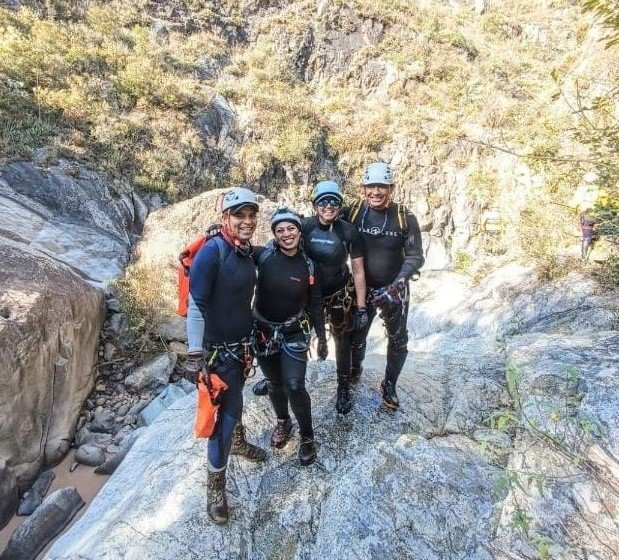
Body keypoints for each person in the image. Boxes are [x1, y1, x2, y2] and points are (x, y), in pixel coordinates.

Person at [189, 187, 266, 525]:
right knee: (227, 415)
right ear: (226, 218)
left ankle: (236, 442)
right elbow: (197, 305)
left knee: (235, 402)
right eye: (240, 216)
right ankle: (215, 490)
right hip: (218, 353)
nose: (246, 221)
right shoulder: (212, 253)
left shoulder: (246, 252)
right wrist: (196, 353)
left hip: (241, 346)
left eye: (251, 216)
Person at [342, 162, 424, 411]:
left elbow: (415, 256)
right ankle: (355, 368)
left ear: (392, 188)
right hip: (360, 287)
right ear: (362, 188)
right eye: (371, 186)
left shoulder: (404, 217)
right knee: (356, 334)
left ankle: (389, 384)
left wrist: (398, 284)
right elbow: (323, 221)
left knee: (398, 340)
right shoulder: (352, 212)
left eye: (382, 187)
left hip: (393, 287)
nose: (376, 192)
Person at [254, 208, 327, 465]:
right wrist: (216, 232)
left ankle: (307, 437)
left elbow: (316, 304)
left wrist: (323, 338)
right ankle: (283, 421)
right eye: (280, 230)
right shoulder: (262, 256)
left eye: (291, 228)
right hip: (262, 332)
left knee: (294, 385)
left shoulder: (308, 266)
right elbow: (234, 247)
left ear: (299, 231)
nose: (287, 234)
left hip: (294, 331)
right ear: (274, 234)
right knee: (274, 383)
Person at [301, 181, 367, 414]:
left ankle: (343, 387)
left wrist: (361, 307)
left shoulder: (347, 231)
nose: (329, 206)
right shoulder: (304, 227)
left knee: (343, 342)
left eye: (334, 202)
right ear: (315, 205)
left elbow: (358, 270)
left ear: (340, 205)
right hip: (310, 295)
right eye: (323, 201)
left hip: (340, 293)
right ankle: (278, 379)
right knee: (298, 335)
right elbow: (280, 241)